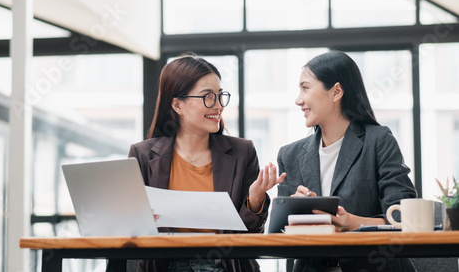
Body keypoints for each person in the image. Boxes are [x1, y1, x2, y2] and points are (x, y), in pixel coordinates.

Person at [130, 53, 285, 272]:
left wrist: (255, 199)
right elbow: (130, 232)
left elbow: (248, 238)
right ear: (177, 105)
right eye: (207, 97)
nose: (218, 106)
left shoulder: (242, 152)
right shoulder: (143, 155)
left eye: (220, 96)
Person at [277, 50, 417, 272]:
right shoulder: (289, 155)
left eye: (305, 88)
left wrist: (352, 222)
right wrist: (290, 213)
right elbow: (280, 238)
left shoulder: (378, 141)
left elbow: (405, 217)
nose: (298, 100)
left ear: (336, 92)